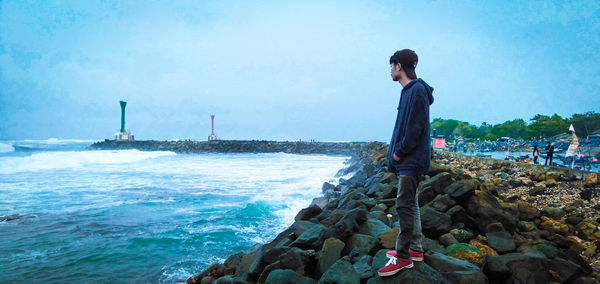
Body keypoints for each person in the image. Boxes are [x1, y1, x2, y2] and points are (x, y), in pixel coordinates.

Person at [380, 49, 434, 277]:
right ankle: (416, 249)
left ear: (399, 66)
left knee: (403, 205)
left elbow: (415, 127)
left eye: (391, 66)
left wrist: (398, 153)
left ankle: (403, 257)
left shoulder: (417, 91)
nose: (390, 70)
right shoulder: (409, 91)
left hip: (410, 160)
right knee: (411, 204)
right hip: (408, 160)